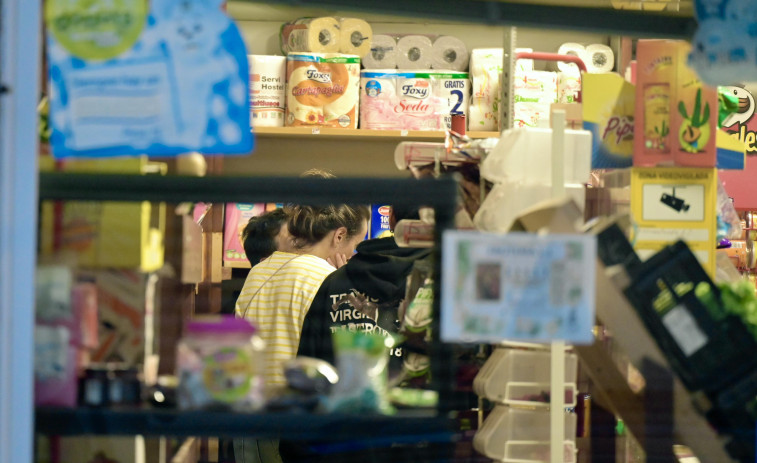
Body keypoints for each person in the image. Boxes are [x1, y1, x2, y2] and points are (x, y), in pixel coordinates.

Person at [234, 203, 369, 463]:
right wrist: (341, 279)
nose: (353, 253)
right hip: (293, 425)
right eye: (355, 244)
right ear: (339, 236)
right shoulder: (328, 280)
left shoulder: (257, 271)